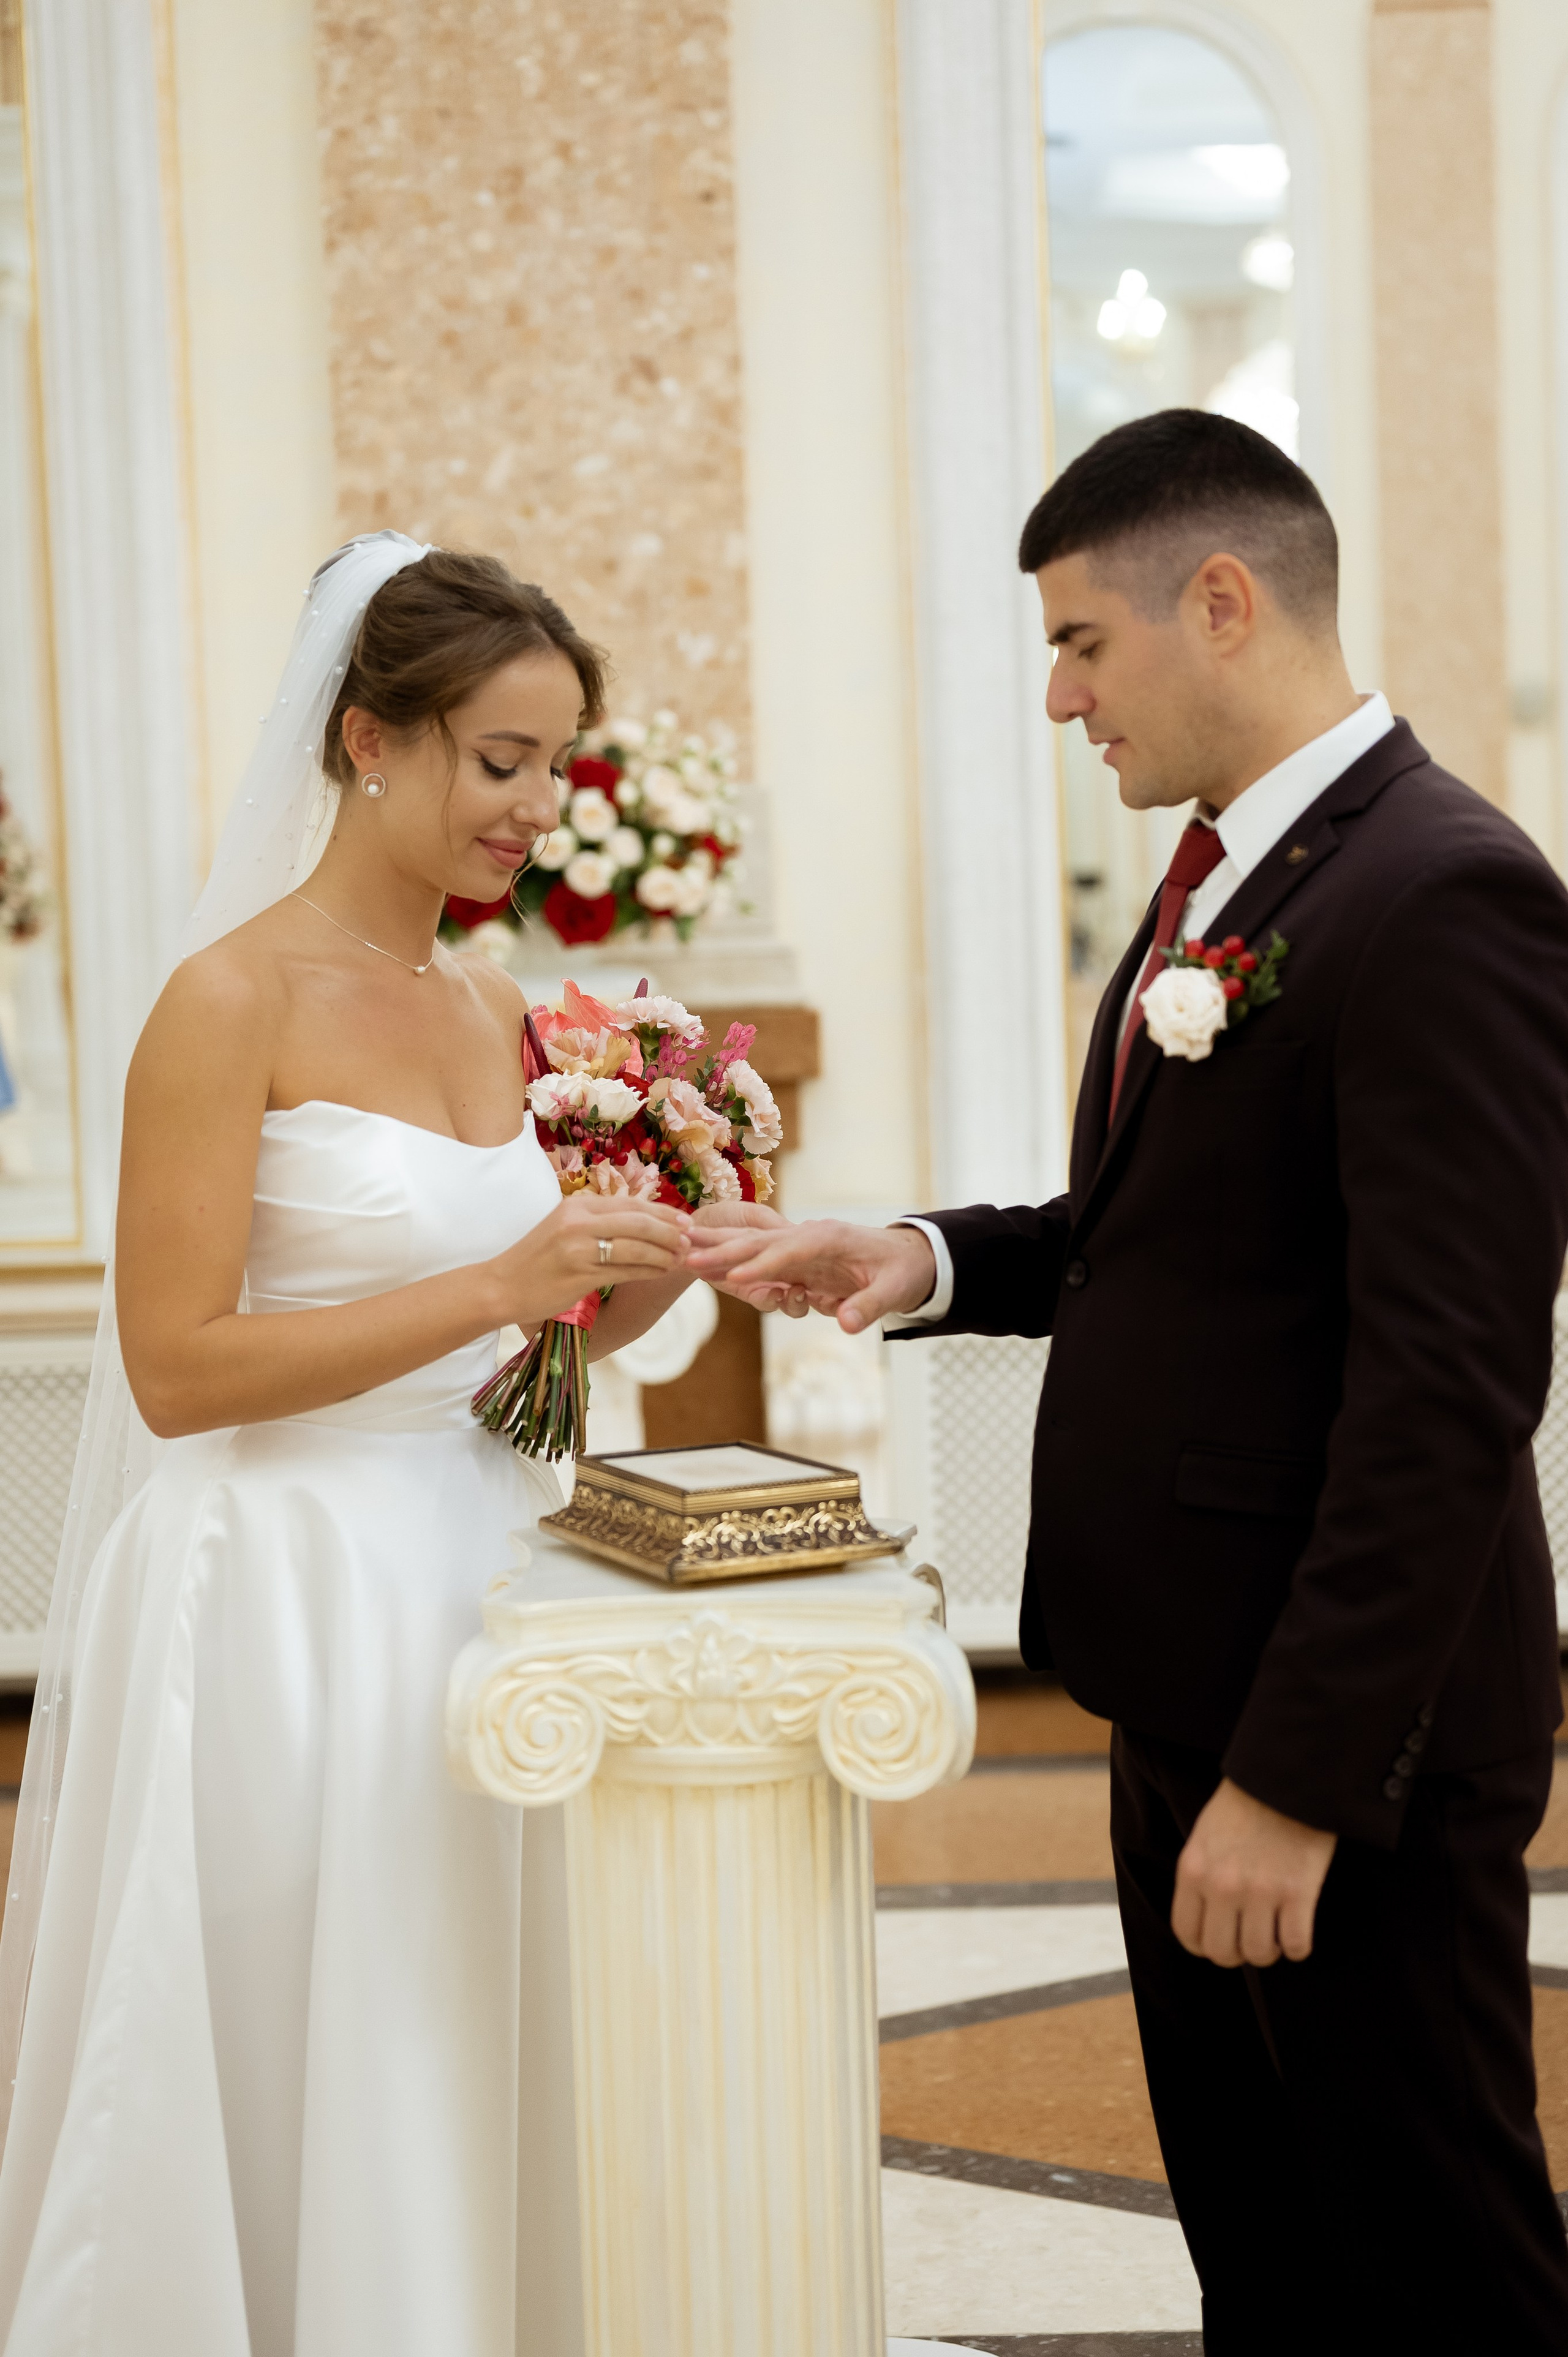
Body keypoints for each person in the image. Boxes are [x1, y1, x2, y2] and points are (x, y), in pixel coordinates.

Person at [690, 410, 1568, 2352]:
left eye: (1085, 643)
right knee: (1270, 2247)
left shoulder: (1442, 892)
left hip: (1347, 1744)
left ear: (1225, 602)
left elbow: (1450, 1384)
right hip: (1197, 1695)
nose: (1066, 698)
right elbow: (1160, 1241)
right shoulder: (1228, 883)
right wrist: (912, 1255)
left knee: (1434, 2261)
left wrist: (1296, 1780)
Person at [0, 537, 756, 2355]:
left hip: (486, 1572)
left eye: (556, 766)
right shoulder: (226, 1001)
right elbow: (177, 1369)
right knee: (295, 2022)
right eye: (502, 762)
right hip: (283, 1595)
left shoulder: (494, 1006)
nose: (537, 808)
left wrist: (654, 1264)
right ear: (367, 740)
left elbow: (519, 1345)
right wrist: (508, 1270)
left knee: (459, 2012)